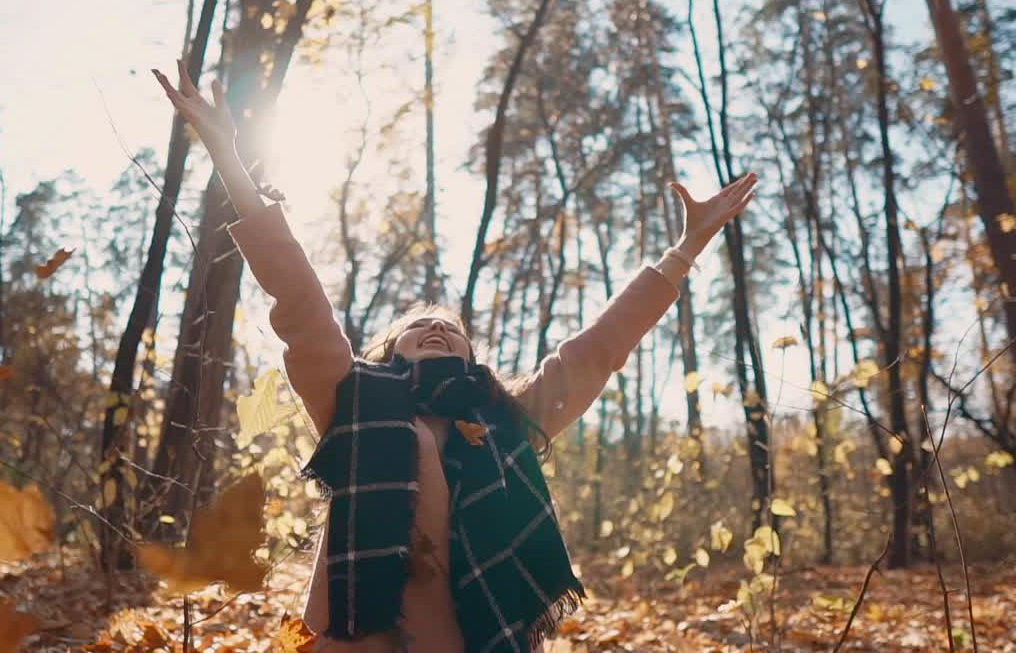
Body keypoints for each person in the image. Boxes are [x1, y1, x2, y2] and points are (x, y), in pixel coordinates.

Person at [154, 60, 756, 652]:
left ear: (471, 356)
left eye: (452, 328)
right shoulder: (351, 395)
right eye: (421, 326)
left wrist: (686, 247)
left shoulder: (504, 413)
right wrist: (229, 158)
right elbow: (300, 299)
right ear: (389, 350)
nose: (439, 328)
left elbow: (598, 349)